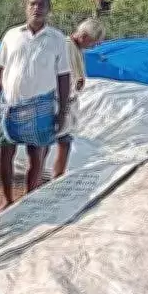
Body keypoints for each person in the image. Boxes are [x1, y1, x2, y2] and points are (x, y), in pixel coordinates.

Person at [0, 0, 70, 210]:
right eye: (32, 4)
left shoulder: (57, 39)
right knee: (4, 152)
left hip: (41, 107)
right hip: (10, 105)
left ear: (49, 8)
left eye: (41, 4)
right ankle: (7, 199)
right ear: (25, 6)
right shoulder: (11, 35)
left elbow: (63, 76)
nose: (37, 8)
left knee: (36, 155)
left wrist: (62, 111)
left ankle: (29, 200)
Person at [53, 18, 106, 179]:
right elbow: (63, 77)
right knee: (58, 141)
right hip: (59, 101)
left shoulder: (75, 49)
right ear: (84, 36)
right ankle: (56, 176)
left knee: (64, 141)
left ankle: (58, 176)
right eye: (93, 42)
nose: (94, 46)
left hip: (68, 101)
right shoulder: (66, 47)